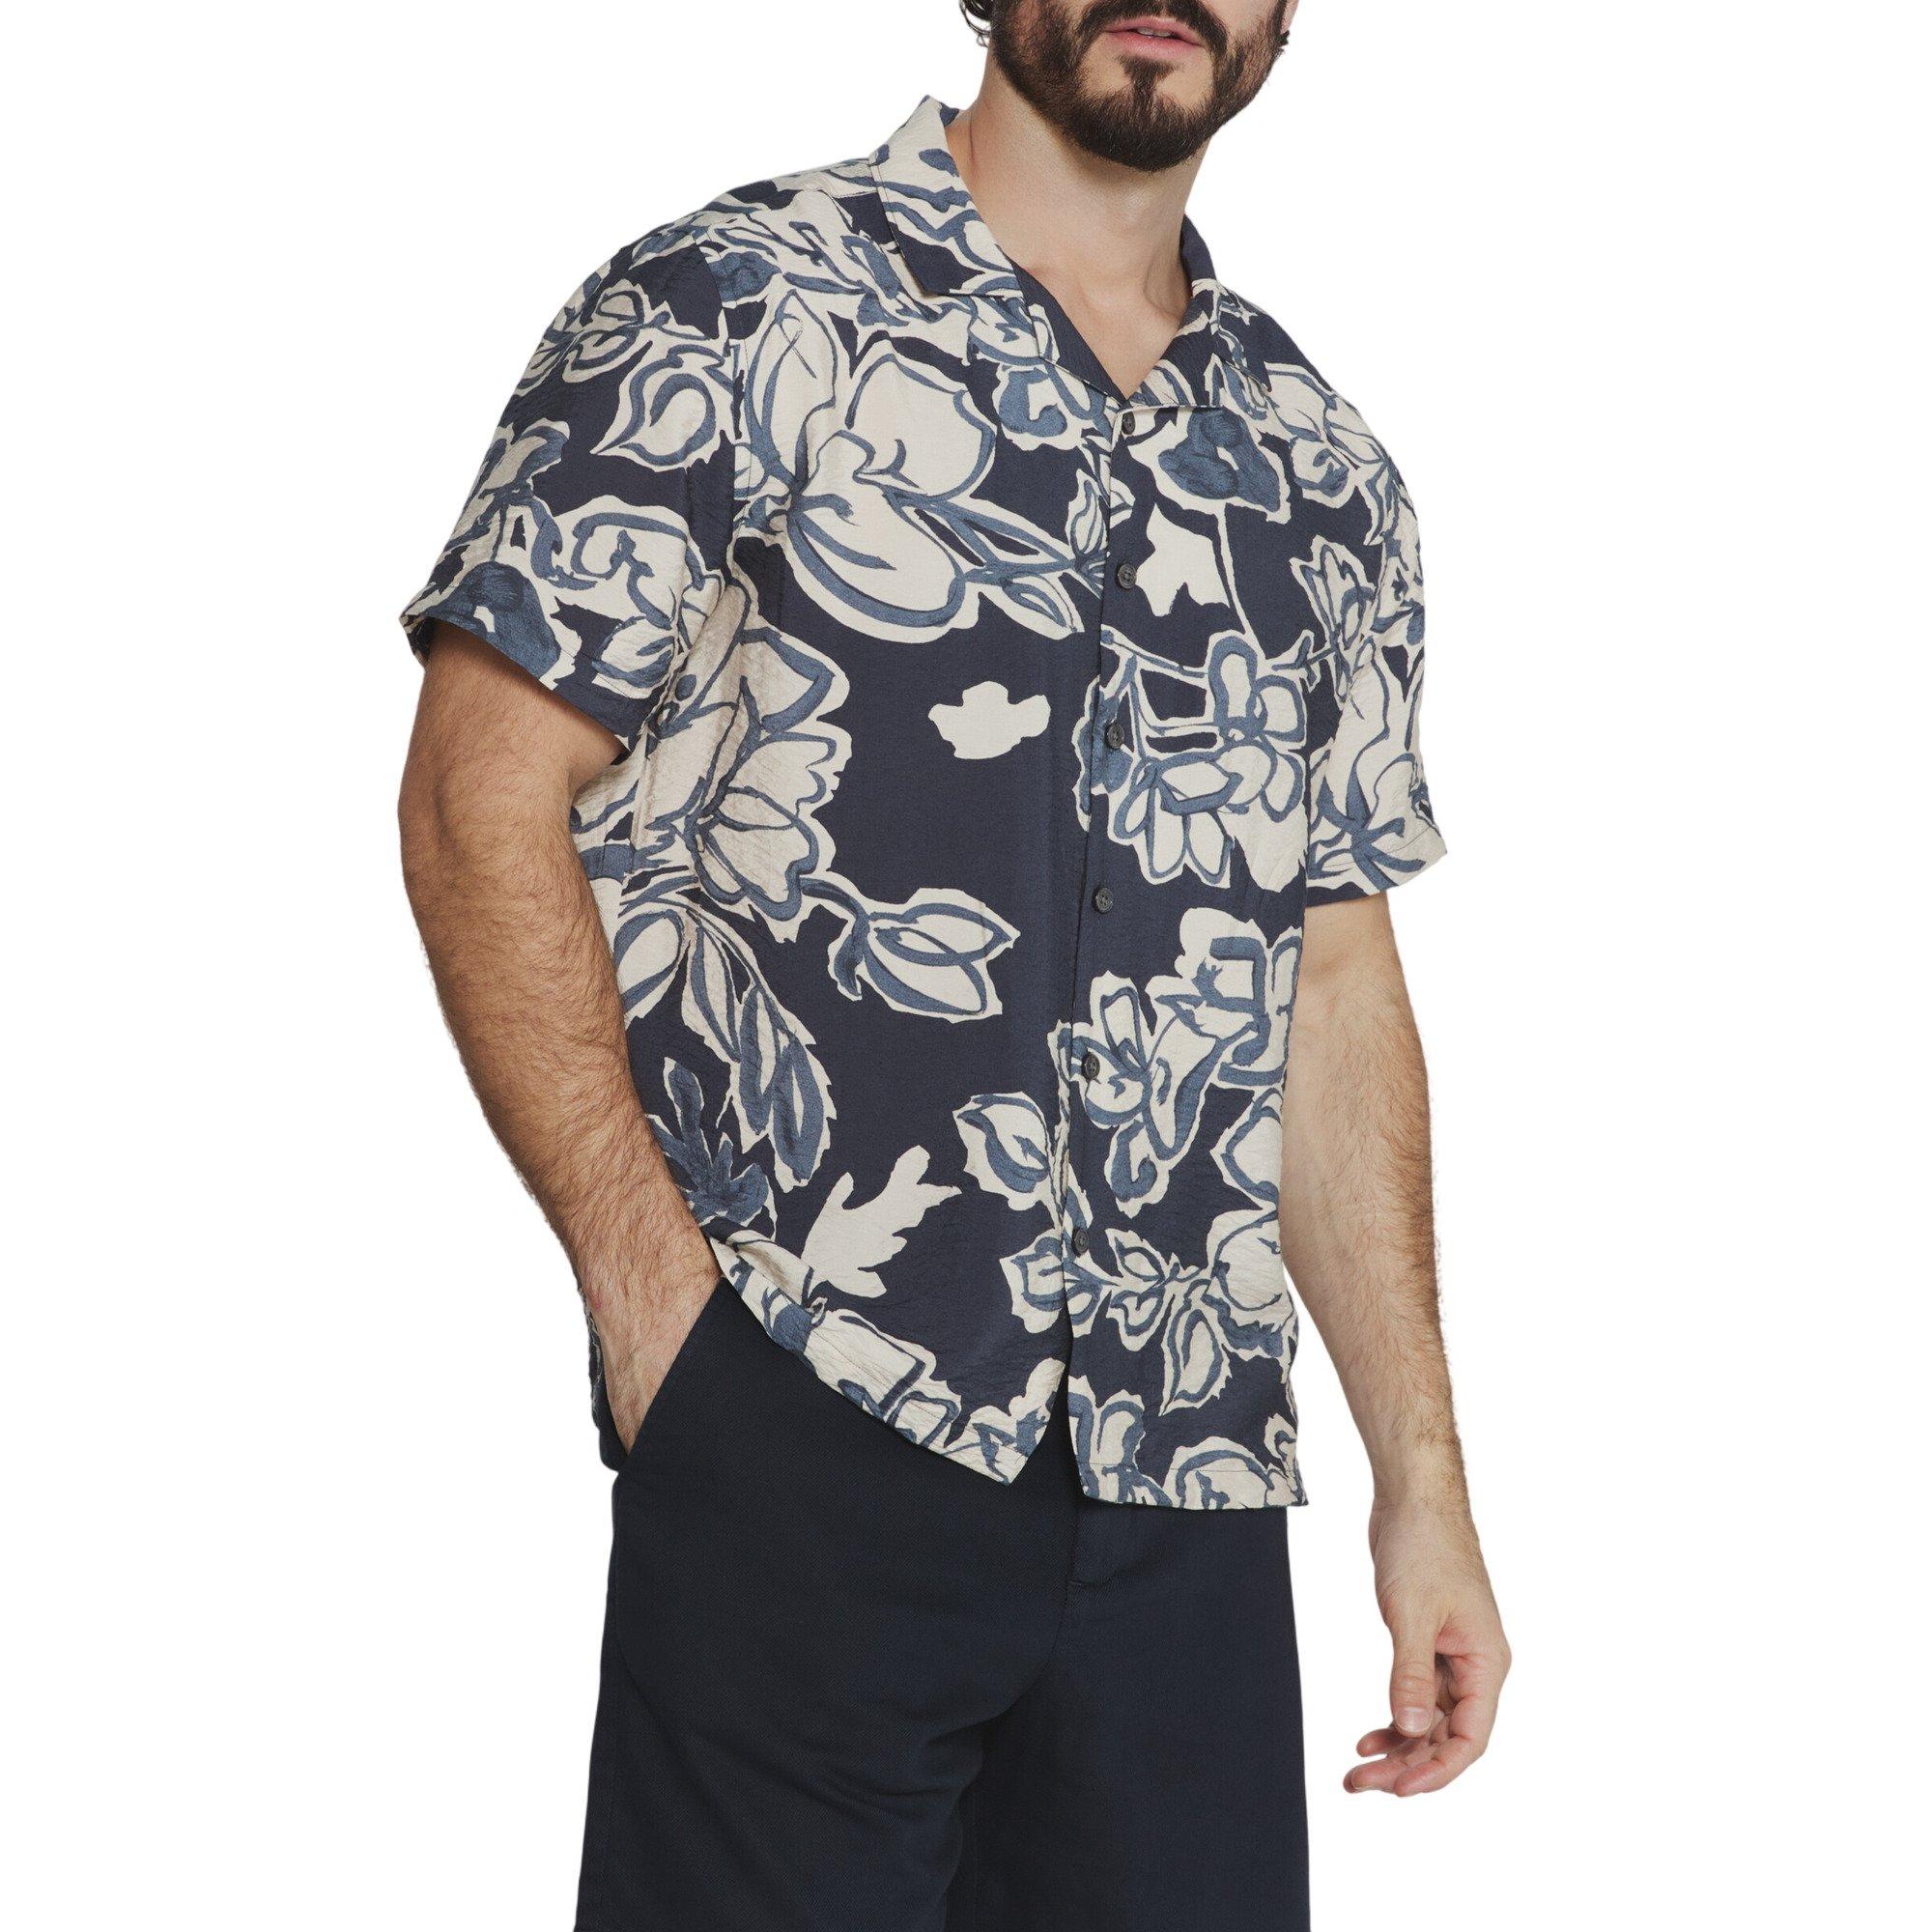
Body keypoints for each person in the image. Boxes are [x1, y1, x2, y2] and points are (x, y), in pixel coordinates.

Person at [397, 3, 1508, 1925]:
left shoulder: (1320, 469)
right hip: (809, 1414)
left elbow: (1328, 981)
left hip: (1187, 1489)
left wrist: (1423, 1481)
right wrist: (664, 1326)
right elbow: (475, 796)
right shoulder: (731, 305)